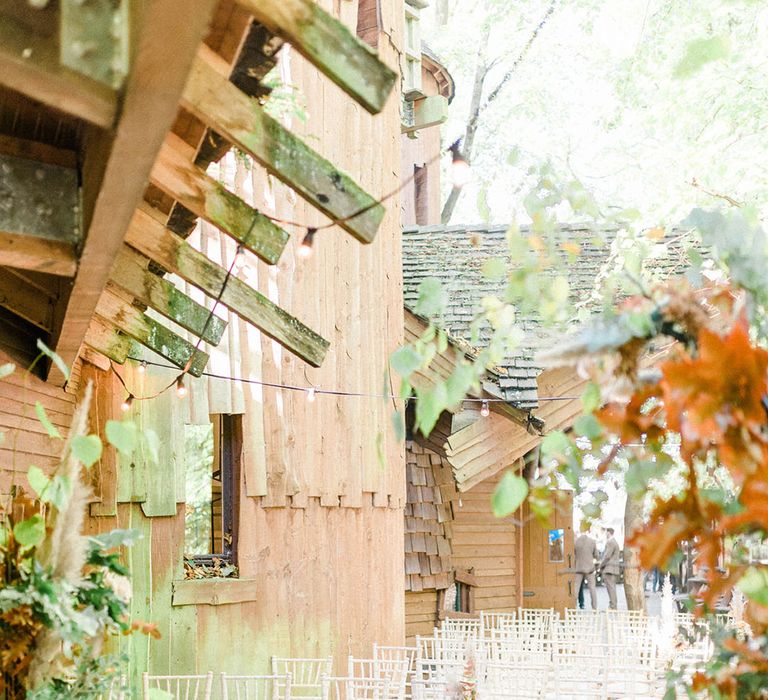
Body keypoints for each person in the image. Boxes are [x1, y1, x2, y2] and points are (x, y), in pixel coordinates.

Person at [574, 522, 598, 610]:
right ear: (588, 529)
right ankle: (594, 608)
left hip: (578, 568)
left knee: (576, 588)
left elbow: (573, 554)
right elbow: (596, 555)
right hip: (590, 568)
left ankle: (573, 608)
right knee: (592, 589)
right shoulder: (592, 541)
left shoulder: (575, 541)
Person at [600, 527, 622, 610]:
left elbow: (607, 556)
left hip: (609, 568)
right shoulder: (614, 542)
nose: (605, 534)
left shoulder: (610, 542)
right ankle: (613, 605)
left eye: (606, 532)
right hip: (612, 568)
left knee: (611, 588)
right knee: (612, 588)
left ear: (608, 532)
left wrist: (601, 565)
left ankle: (613, 606)